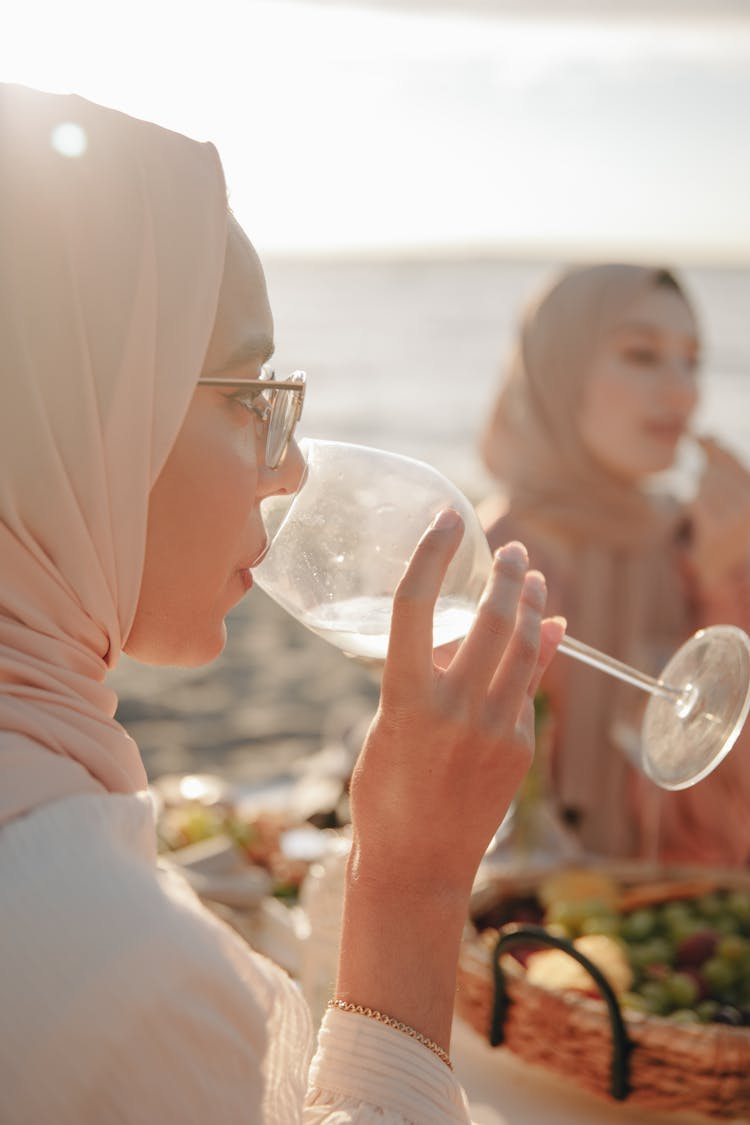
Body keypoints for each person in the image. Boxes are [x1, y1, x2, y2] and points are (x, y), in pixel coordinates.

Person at [0, 84, 565, 1123]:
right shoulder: (114, 970)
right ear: (89, 415)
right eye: (255, 397)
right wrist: (414, 885)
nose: (293, 467)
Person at [478, 263, 750, 867]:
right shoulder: (494, 560)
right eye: (643, 354)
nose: (684, 391)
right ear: (558, 368)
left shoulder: (701, 544)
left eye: (692, 361)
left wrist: (721, 584)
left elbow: (733, 829)